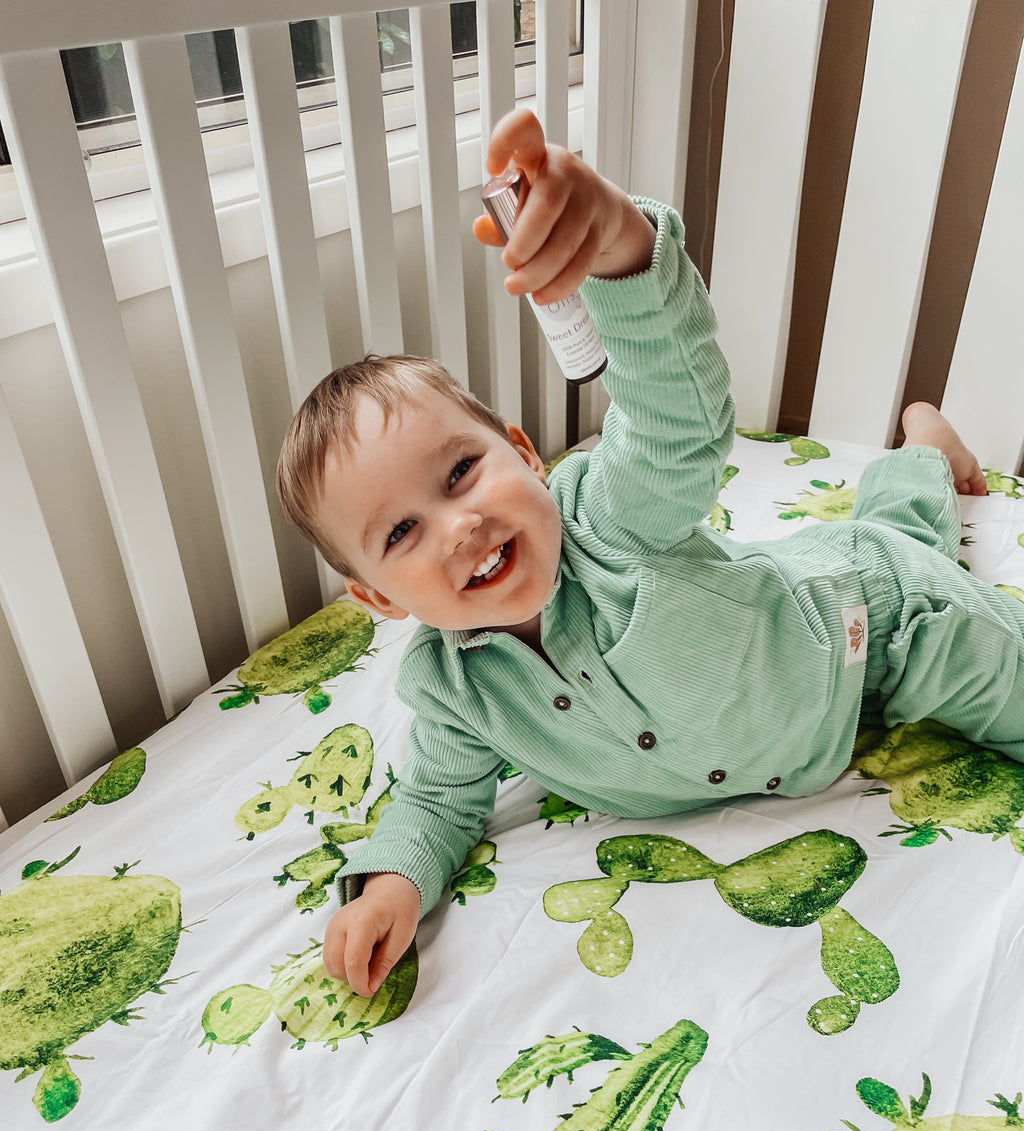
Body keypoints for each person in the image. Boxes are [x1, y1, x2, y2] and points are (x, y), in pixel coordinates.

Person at [276, 108, 1023, 998]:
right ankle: (926, 446)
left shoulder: (610, 518)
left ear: (526, 455)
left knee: (912, 562)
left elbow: (676, 419)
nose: (459, 525)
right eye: (401, 534)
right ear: (379, 598)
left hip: (885, 627)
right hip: (817, 655)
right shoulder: (454, 694)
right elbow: (438, 800)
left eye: (462, 471)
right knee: (902, 523)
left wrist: (623, 255)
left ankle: (924, 454)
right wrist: (393, 880)